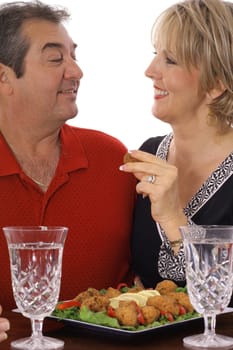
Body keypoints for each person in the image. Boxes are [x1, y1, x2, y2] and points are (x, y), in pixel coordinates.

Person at [0, 0, 136, 311]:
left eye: (73, 56)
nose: (76, 71)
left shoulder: (114, 159)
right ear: (4, 77)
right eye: (55, 59)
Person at [120, 0, 233, 291]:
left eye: (170, 60)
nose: (150, 70)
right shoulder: (147, 153)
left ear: (216, 84)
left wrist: (172, 218)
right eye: (155, 55)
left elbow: (222, 292)